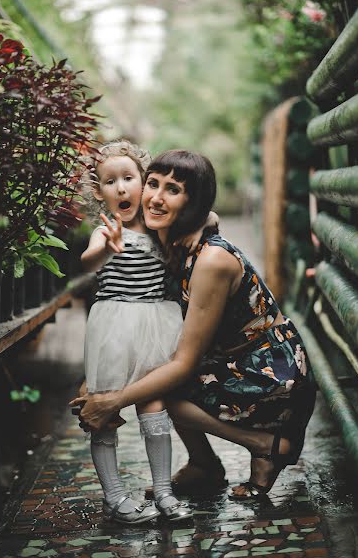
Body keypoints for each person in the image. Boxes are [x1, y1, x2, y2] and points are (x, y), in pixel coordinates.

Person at [71, 148, 316, 502]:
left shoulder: (211, 259)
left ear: (192, 202)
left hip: (269, 372)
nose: (155, 197)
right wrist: (92, 380)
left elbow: (184, 365)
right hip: (234, 358)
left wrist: (112, 402)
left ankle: (264, 446)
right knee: (155, 372)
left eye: (173, 189)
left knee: (160, 384)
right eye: (152, 184)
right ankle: (205, 466)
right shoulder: (164, 232)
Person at [76, 140, 217, 524]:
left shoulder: (160, 227)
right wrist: (108, 249)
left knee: (153, 407)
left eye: (128, 178)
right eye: (109, 182)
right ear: (98, 191)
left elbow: (210, 216)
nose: (121, 188)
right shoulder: (105, 230)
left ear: (143, 182)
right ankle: (115, 497)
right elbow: (88, 263)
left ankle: (165, 493)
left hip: (156, 322)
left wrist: (202, 225)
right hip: (115, 327)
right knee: (103, 412)